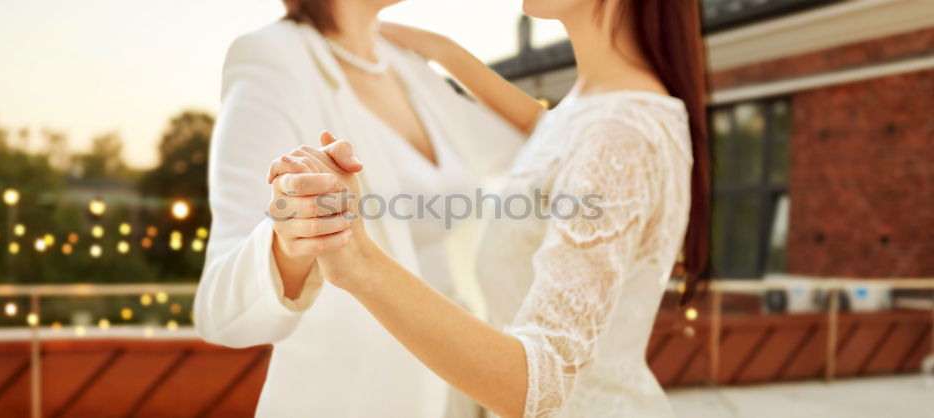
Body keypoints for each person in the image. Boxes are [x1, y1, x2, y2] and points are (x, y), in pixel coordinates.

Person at [266, 0, 711, 416]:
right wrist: (444, 52)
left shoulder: (617, 136)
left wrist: (357, 259)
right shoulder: (591, 113)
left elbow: (543, 382)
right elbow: (546, 129)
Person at [192, 0, 533, 417]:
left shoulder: (406, 66)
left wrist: (450, 53)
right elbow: (219, 308)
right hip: (364, 400)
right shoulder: (272, 57)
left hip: (465, 388)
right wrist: (292, 241)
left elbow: (550, 150)